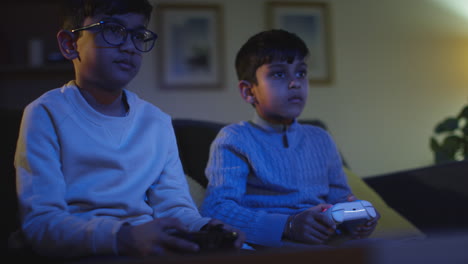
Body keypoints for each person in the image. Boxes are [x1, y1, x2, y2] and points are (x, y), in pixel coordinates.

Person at [12, 0, 245, 258]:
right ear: (70, 44)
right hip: (85, 249)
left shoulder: (156, 121)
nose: (129, 46)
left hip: (151, 248)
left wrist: (207, 227)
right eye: (113, 29)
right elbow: (42, 224)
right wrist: (124, 237)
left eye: (138, 35)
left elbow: (175, 209)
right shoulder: (45, 114)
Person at [200, 29, 379, 248]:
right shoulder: (235, 139)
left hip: (327, 241)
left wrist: (357, 218)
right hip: (272, 243)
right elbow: (217, 209)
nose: (295, 83)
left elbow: (340, 200)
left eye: (301, 73)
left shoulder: (321, 139)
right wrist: (288, 225)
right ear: (249, 92)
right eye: (279, 74)